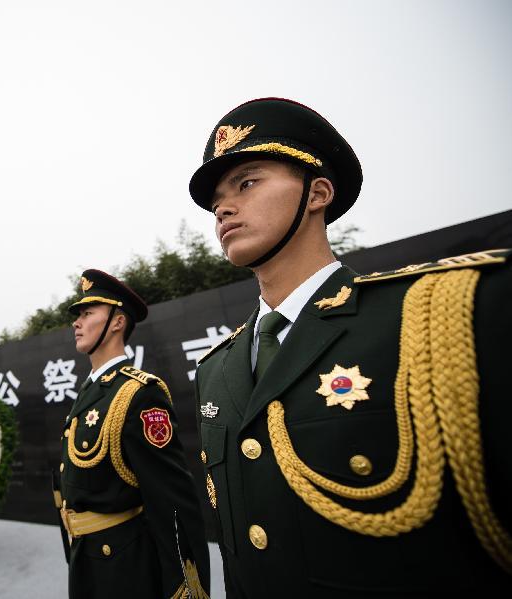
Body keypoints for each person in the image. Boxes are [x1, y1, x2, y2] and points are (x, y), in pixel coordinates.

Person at [188, 97, 512, 597]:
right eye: (216, 203)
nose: (224, 207)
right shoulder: (216, 369)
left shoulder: (440, 316)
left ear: (317, 193)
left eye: (247, 183)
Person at [54, 268, 211, 599]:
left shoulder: (139, 393)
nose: (76, 322)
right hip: (87, 558)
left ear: (116, 322)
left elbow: (174, 504)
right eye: (77, 315)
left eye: (87, 313)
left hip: (123, 568)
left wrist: (186, 589)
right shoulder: (91, 391)